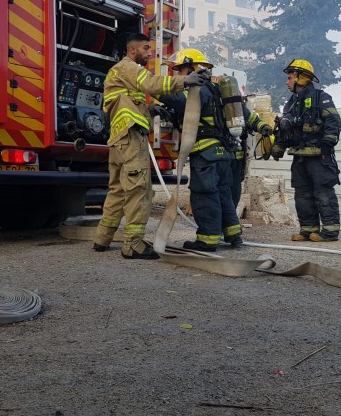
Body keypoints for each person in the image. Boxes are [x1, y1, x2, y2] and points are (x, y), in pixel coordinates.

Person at [93, 34, 208, 259]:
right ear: (132, 49)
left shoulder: (118, 73)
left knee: (118, 190)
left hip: (119, 140)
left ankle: (102, 238)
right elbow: (152, 84)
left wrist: (151, 110)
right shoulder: (128, 67)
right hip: (131, 138)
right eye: (146, 48)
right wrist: (185, 81)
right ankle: (133, 245)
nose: (149, 53)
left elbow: (126, 103)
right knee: (140, 190)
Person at [159, 49, 242, 251]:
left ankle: (207, 240)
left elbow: (181, 100)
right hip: (222, 153)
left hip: (206, 155)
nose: (178, 75)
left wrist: (156, 88)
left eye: (180, 70)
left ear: (191, 68)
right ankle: (233, 234)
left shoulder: (199, 89)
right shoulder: (215, 89)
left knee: (204, 195)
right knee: (223, 194)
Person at [270, 59, 341, 242]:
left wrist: (328, 143)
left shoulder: (321, 98)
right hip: (300, 157)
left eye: (290, 78)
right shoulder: (292, 103)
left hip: (319, 157)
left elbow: (333, 121)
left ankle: (330, 231)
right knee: (302, 194)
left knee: (323, 192)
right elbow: (285, 129)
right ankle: (308, 229)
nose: (287, 82)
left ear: (300, 78)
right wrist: (277, 149)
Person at [230, 105, 272, 208]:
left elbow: (252, 120)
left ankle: (230, 214)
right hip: (223, 158)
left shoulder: (235, 105)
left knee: (234, 189)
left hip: (235, 157)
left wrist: (263, 127)